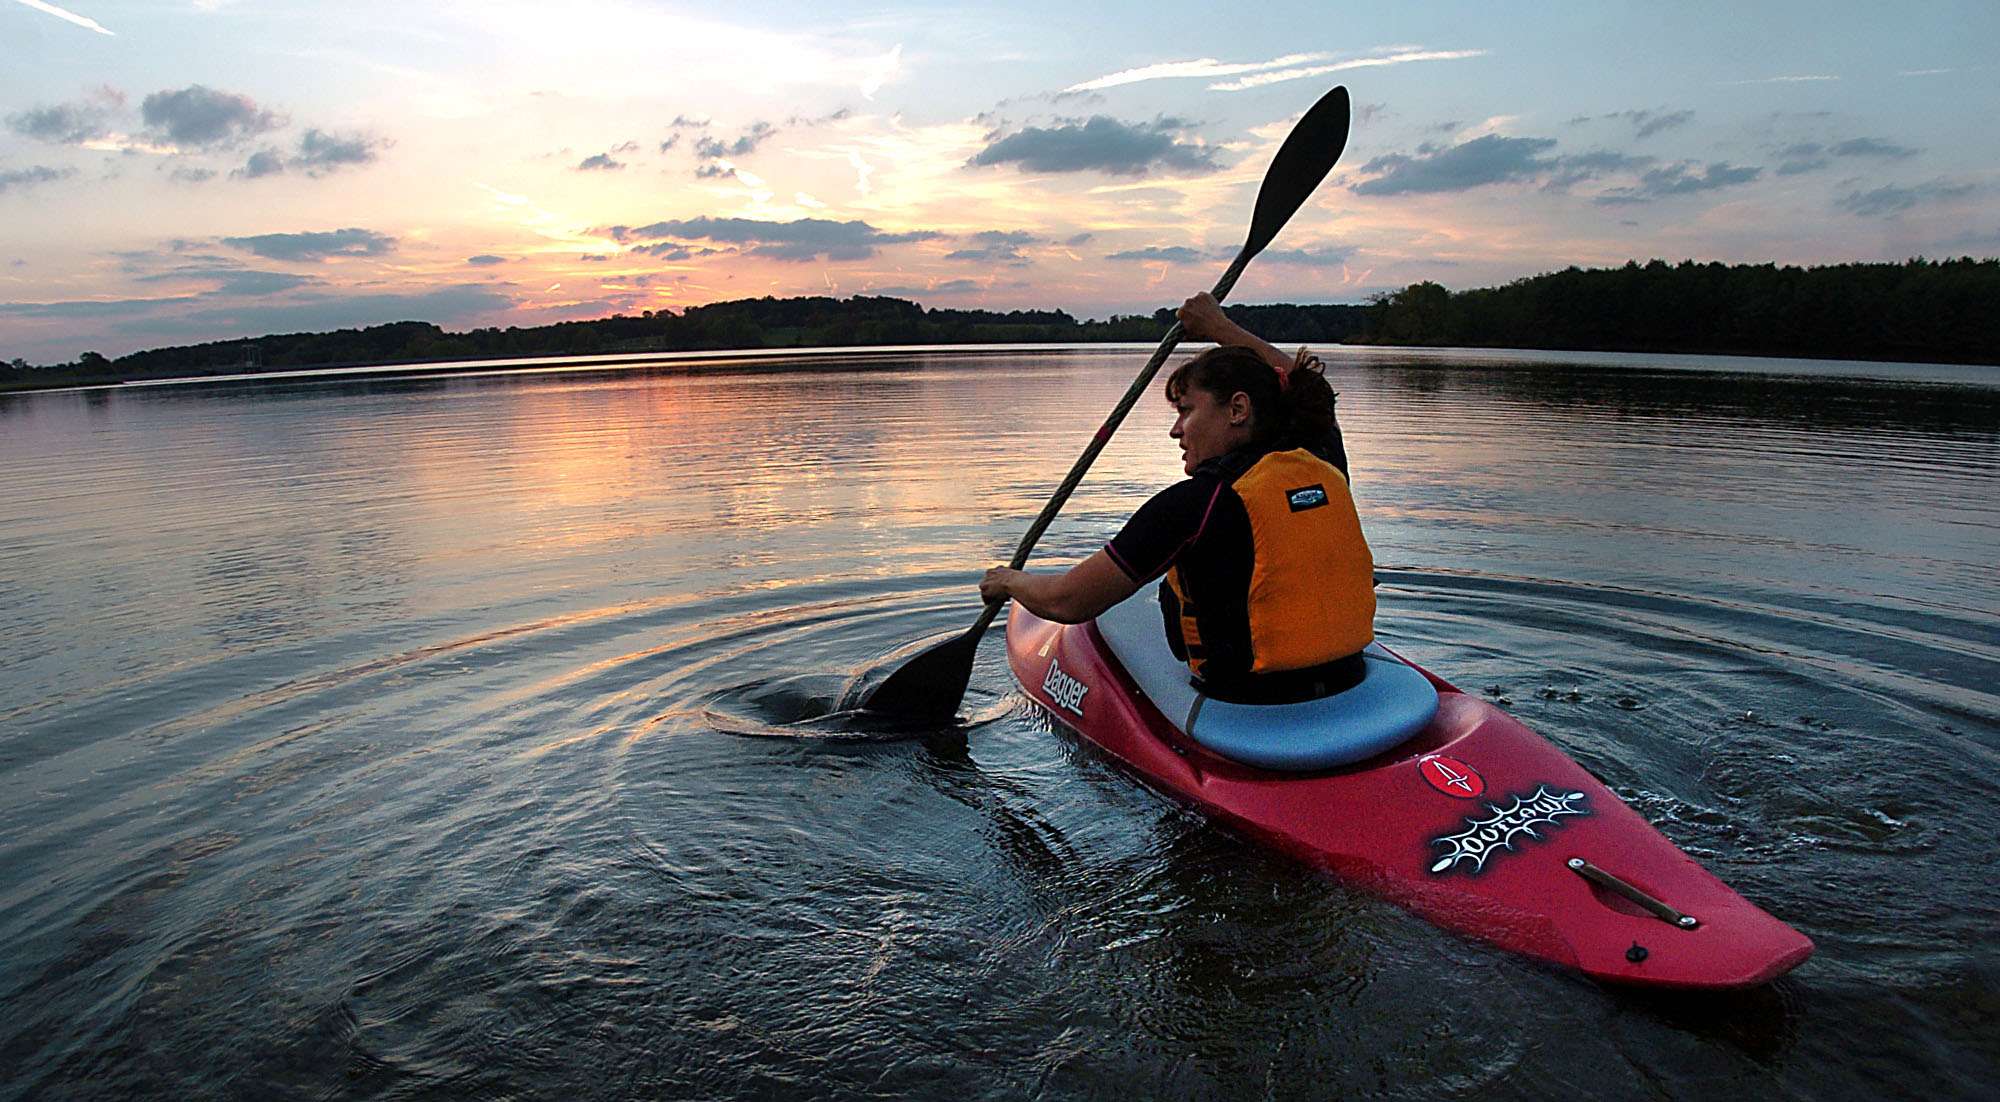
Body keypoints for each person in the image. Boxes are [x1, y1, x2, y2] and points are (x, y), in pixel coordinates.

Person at [979, 292, 1376, 703]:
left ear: (1237, 409)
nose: (1176, 430)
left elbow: (1069, 602)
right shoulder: (1323, 459)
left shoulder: (1194, 504)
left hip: (1249, 700)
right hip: (1348, 678)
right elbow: (1311, 388)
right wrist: (1220, 328)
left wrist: (1009, 581)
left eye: (1186, 410)